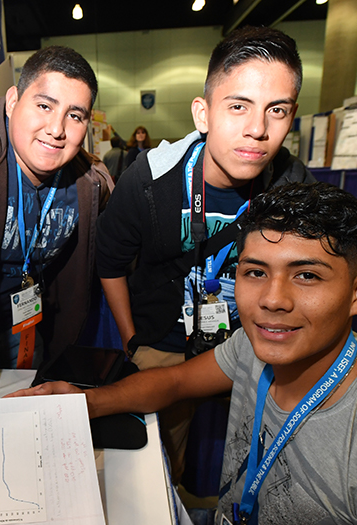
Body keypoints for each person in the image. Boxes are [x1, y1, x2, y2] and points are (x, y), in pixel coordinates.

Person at [11, 182, 357, 525]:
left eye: (307, 275)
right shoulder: (254, 348)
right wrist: (84, 401)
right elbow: (175, 380)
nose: (272, 300)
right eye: (255, 272)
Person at [96, 26, 314, 482]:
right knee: (157, 470)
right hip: (163, 343)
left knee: (262, 463)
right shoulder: (150, 179)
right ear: (203, 113)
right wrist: (134, 341)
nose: (257, 129)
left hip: (253, 345)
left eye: (277, 110)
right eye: (238, 106)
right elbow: (110, 262)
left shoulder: (294, 185)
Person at [0, 46, 112, 369]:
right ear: (13, 101)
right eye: (45, 106)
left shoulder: (90, 184)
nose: (57, 129)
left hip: (27, 330)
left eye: (74, 116)